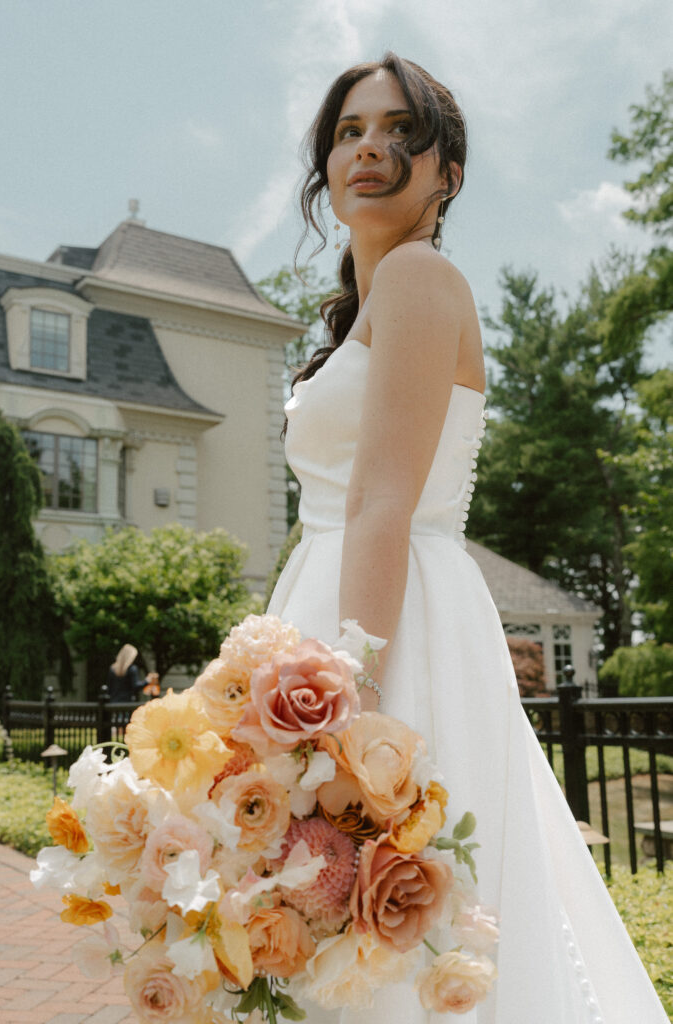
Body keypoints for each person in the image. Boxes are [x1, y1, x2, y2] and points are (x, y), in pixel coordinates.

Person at [267, 53, 667, 1024]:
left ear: (446, 172)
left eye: (400, 130)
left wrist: (346, 712)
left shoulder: (417, 276)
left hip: (385, 629)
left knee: (393, 923)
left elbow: (380, 505)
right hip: (330, 605)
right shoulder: (373, 305)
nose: (368, 147)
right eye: (349, 129)